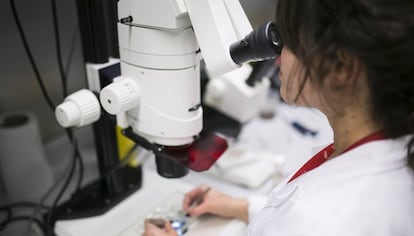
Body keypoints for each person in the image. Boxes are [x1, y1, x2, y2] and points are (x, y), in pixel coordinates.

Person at [144, 0, 414, 235]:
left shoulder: (325, 220)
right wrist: (242, 207)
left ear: (340, 68)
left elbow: (313, 223)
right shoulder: (392, 142)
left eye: (290, 41)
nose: (276, 55)